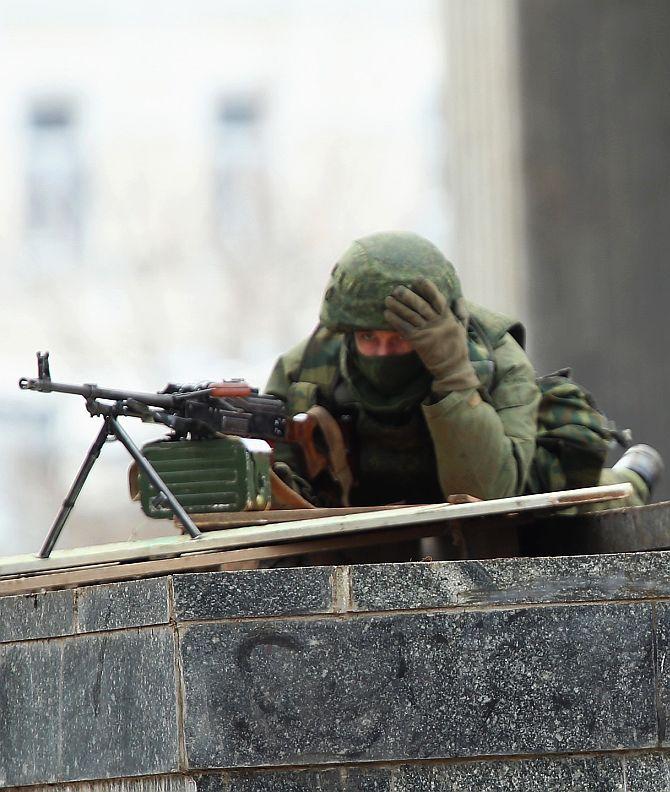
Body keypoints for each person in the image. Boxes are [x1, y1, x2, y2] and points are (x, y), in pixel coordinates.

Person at [266, 231, 662, 511]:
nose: (383, 352)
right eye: (369, 338)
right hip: (357, 510)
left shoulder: (496, 360)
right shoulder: (306, 371)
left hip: (504, 503)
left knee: (572, 508)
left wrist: (453, 375)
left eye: (401, 338)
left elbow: (492, 496)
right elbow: (275, 492)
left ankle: (632, 479)